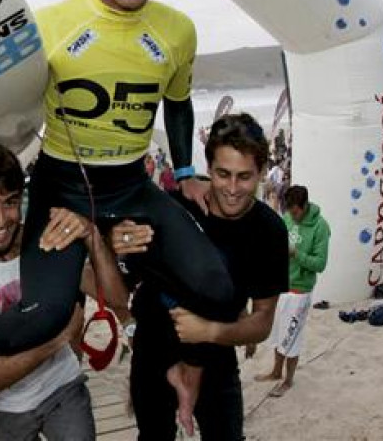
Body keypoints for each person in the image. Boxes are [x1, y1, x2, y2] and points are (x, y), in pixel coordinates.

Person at [0, 0, 233, 357]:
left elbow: (177, 103)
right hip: (61, 189)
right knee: (42, 319)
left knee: (219, 291)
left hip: (131, 188)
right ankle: (86, 282)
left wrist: (184, 171)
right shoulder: (50, 25)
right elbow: (1, 106)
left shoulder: (178, 31)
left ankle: (130, 295)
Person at [0, 142, 129, 439]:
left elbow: (117, 300)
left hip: (62, 387)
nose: (0, 220)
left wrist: (92, 237)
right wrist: (58, 340)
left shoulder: (45, 242)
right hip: (5, 408)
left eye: (10, 202)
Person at [122, 113, 288, 439]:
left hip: (216, 356)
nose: (232, 188)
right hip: (153, 352)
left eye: (245, 177)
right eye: (223, 174)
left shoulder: (269, 230)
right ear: (208, 168)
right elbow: (117, 285)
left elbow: (263, 322)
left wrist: (208, 330)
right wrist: (115, 242)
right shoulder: (174, 210)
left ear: (262, 172)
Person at [255, 184, 329, 398]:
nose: (292, 216)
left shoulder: (320, 227)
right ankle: (276, 371)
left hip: (300, 290)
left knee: (292, 337)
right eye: (289, 211)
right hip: (281, 285)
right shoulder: (287, 218)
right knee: (278, 333)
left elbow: (320, 264)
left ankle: (288, 380)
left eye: (295, 211)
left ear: (304, 206)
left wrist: (296, 253)